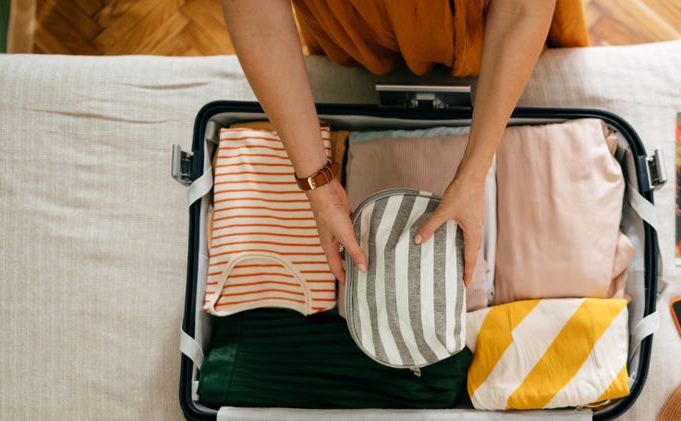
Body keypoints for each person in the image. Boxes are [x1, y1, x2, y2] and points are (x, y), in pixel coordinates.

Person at [221, 0, 588, 286]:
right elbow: (259, 21)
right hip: (357, 30)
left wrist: (475, 172)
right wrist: (318, 185)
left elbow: (522, 9)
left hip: (493, 28)